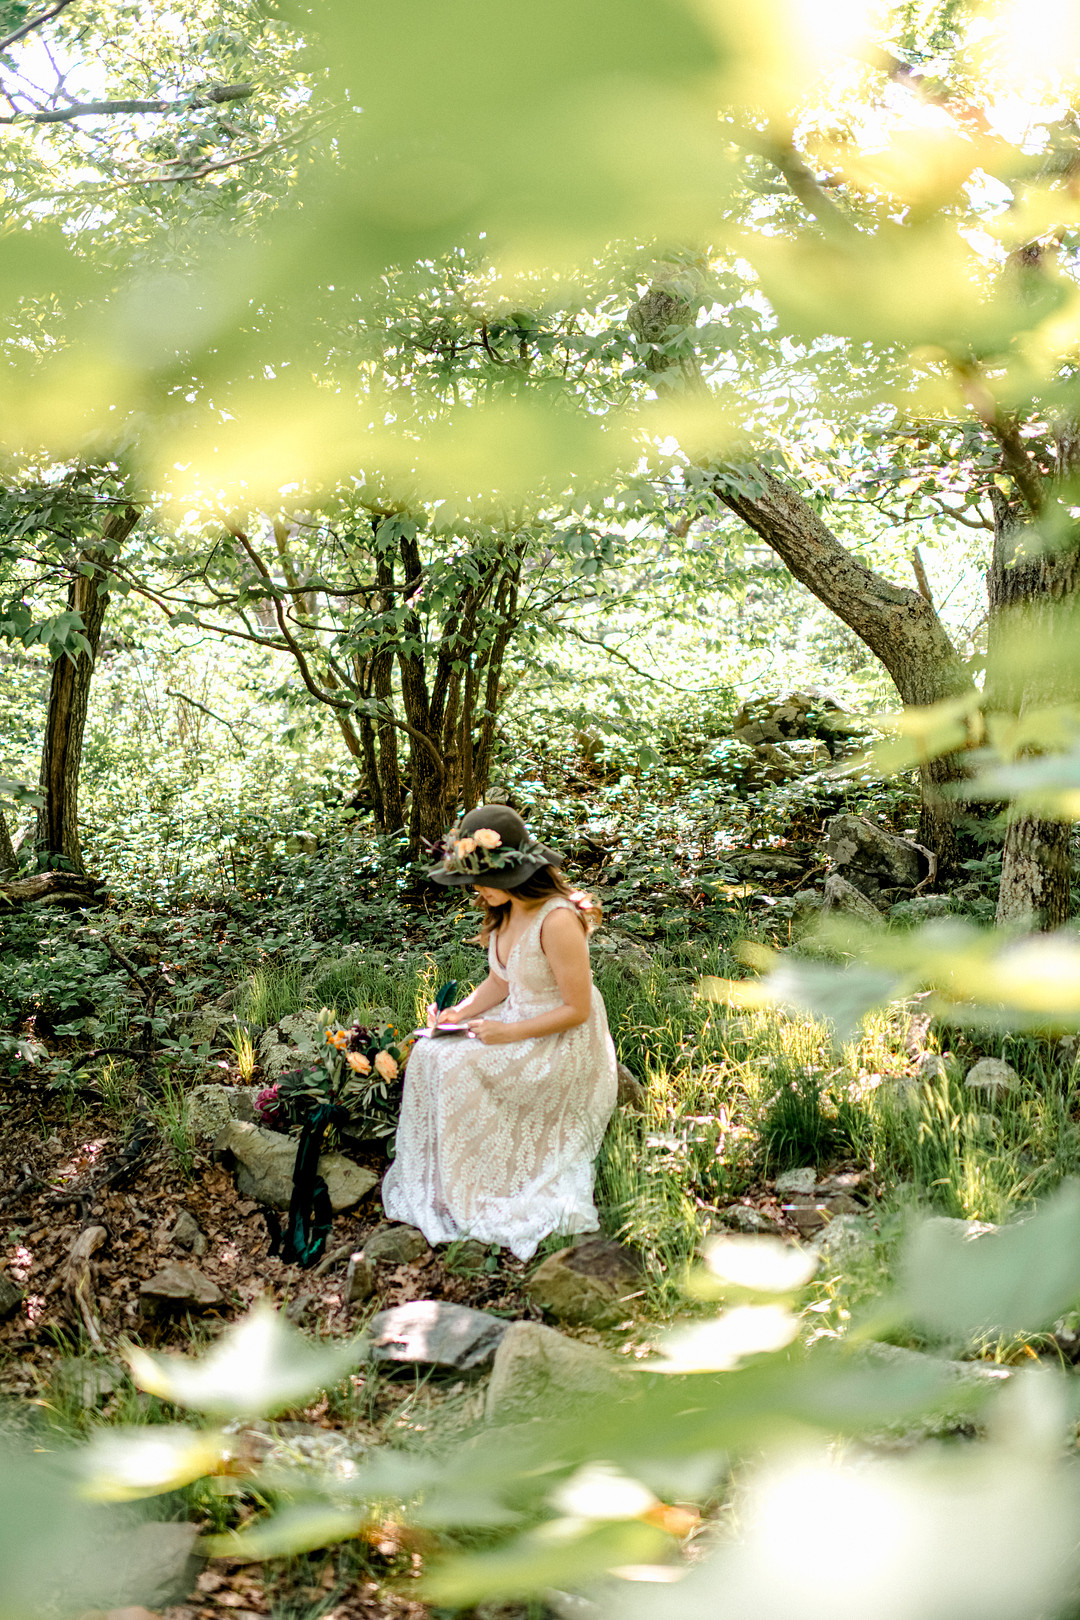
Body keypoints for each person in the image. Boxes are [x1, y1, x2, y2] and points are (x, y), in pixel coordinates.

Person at [381, 805, 618, 1260]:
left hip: (561, 1042)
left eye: (482, 880)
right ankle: (440, 1185)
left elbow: (578, 1008)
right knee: (431, 1052)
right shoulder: (505, 911)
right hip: (518, 1021)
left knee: (458, 1067)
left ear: (517, 874)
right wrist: (458, 1013)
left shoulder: (557, 919)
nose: (477, 890)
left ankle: (477, 1187)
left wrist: (508, 1035)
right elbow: (500, 981)